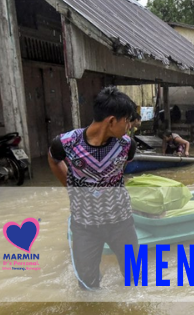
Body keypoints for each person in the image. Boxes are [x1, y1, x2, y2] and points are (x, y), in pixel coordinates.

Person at [47, 86, 138, 289]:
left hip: (121, 222)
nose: (130, 126)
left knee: (133, 277)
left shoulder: (127, 146)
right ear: (112, 121)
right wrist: (71, 187)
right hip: (85, 225)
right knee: (87, 285)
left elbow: (118, 173)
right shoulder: (66, 143)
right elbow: (53, 160)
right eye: (127, 120)